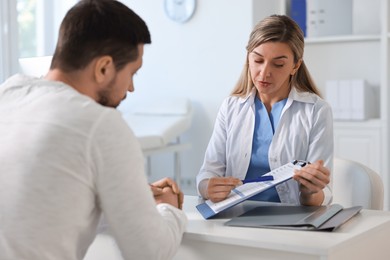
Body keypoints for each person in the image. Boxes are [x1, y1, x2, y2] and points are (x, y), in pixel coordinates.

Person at [0, 1, 186, 259]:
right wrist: (170, 208)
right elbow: (149, 251)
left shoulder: (8, 93)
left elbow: (43, 201)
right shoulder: (101, 125)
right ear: (103, 68)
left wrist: (129, 194)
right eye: (132, 73)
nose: (131, 88)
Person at [196, 14, 333, 206]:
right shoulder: (231, 107)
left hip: (288, 220)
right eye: (258, 61)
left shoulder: (316, 111)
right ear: (248, 59)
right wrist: (206, 187)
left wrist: (311, 191)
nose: (264, 73)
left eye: (278, 64)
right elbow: (209, 171)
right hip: (233, 214)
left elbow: (322, 194)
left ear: (295, 66)